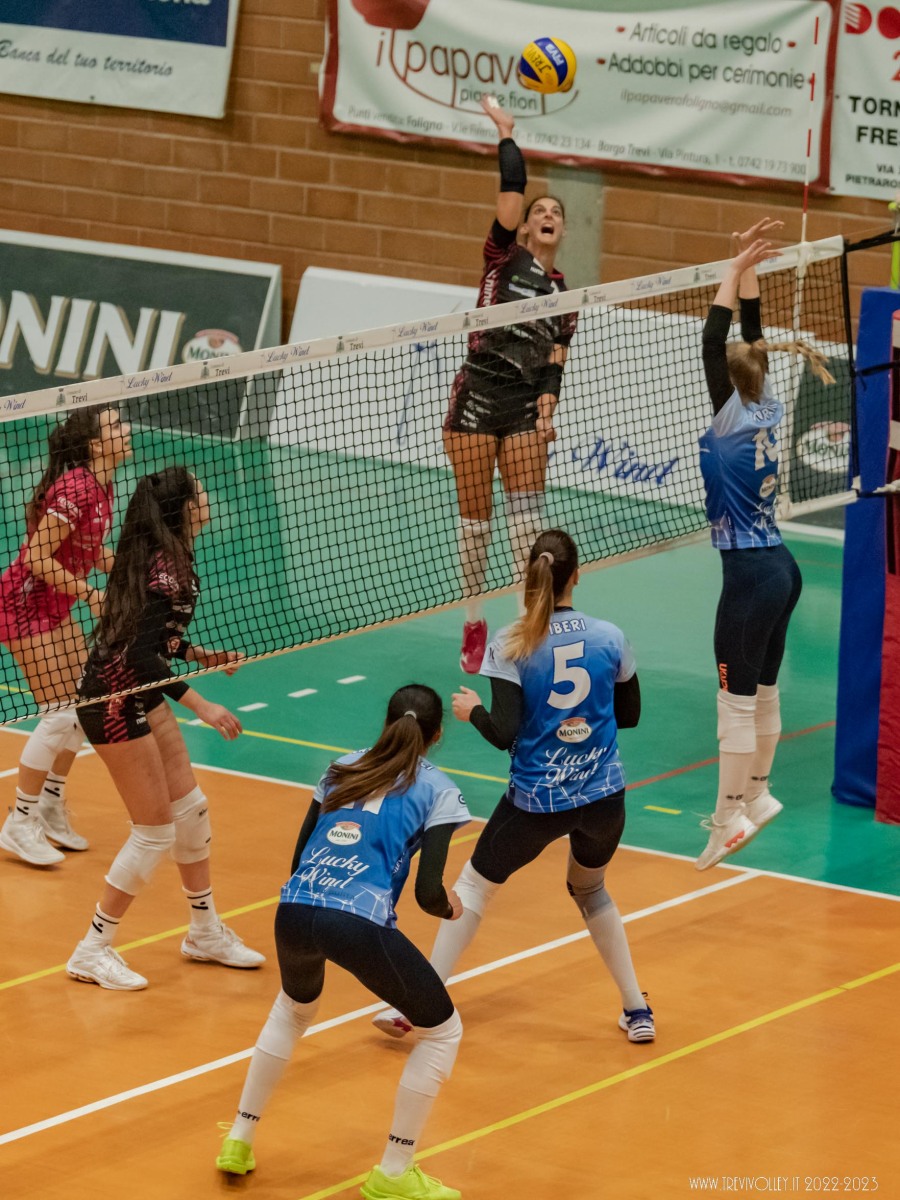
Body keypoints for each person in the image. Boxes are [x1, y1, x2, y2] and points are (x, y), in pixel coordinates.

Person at [374, 530, 654, 1046]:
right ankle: (637, 1010)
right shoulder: (611, 637)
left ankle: (415, 1006)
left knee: (475, 887)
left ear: (529, 575)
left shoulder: (511, 642)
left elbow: (504, 732)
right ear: (576, 576)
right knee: (591, 890)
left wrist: (473, 711)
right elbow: (630, 714)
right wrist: (579, 723)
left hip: (537, 803)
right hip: (603, 798)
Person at [216, 685, 470, 1200]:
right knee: (442, 1033)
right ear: (437, 734)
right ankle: (394, 1172)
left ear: (387, 721)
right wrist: (451, 907)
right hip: (356, 920)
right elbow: (428, 895)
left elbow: (298, 857)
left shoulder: (342, 766)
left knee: (292, 1010)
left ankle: (239, 1138)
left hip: (294, 909)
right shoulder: (440, 790)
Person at [66, 466, 264, 990]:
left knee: (190, 810)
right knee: (154, 831)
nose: (208, 496)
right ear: (186, 508)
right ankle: (92, 950)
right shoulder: (165, 568)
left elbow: (155, 638)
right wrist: (202, 705)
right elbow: (138, 655)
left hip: (139, 690)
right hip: (113, 700)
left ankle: (204, 932)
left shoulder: (168, 557)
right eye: (201, 491)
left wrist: (200, 654)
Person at [695, 220, 835, 870]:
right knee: (765, 691)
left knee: (735, 701)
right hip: (782, 566)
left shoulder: (729, 419)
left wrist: (731, 272)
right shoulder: (767, 405)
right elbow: (750, 338)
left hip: (750, 577)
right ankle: (758, 793)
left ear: (727, 385)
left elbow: (715, 340)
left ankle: (727, 819)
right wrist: (746, 262)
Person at [447, 94, 577, 674]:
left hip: (525, 407)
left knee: (527, 523)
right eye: (538, 209)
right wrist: (507, 133)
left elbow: (554, 362)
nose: (547, 214)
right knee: (477, 523)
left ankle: (531, 622)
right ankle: (474, 619)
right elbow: (512, 188)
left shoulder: (565, 294)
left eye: (556, 212)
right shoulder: (502, 256)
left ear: (562, 229)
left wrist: (547, 413)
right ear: (525, 224)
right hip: (478, 394)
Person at [0, 406, 132, 867]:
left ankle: (50, 803)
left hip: (55, 605)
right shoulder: (76, 489)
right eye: (115, 426)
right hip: (23, 605)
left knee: (85, 704)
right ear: (95, 444)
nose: (126, 430)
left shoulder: (103, 485)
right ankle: (20, 822)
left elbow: (87, 549)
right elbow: (37, 558)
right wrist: (91, 594)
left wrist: (134, 572)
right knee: (58, 715)